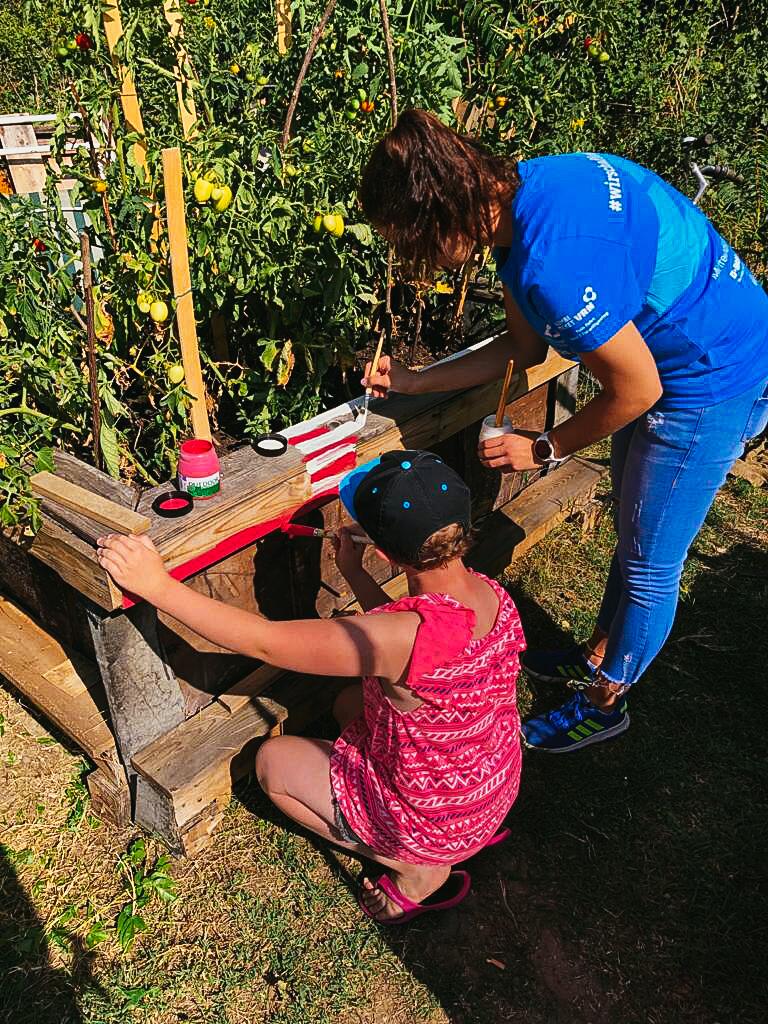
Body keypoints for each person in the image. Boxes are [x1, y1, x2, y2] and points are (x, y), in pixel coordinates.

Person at [360, 109, 768, 754]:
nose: (421, 260)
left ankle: (608, 700)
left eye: (412, 240)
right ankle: (602, 650)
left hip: (709, 380)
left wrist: (543, 448)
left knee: (652, 563)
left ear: (440, 213)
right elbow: (519, 352)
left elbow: (638, 391)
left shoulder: (550, 268)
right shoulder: (536, 191)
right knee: (637, 531)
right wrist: (413, 382)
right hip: (701, 343)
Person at [96, 450, 525, 923]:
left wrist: (157, 586)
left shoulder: (399, 638)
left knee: (273, 764)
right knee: (348, 704)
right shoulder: (488, 593)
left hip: (433, 820)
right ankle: (448, 835)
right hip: (487, 786)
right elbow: (403, 644)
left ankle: (416, 867)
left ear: (384, 550)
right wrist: (356, 574)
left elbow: (266, 643)